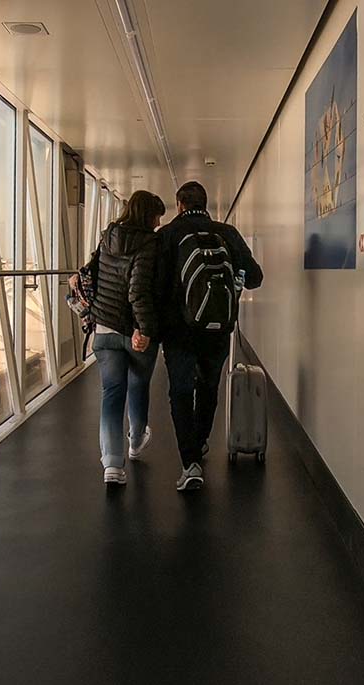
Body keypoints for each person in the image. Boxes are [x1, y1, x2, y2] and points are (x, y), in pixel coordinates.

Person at [156, 181, 263, 491]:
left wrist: (154, 327)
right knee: (208, 386)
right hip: (217, 330)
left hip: (178, 331)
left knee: (180, 391)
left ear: (179, 205)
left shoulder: (168, 235)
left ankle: (189, 462)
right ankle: (201, 442)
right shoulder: (226, 233)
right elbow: (255, 277)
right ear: (206, 203)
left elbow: (157, 287)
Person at [74, 190, 166, 485]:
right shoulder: (149, 243)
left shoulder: (107, 236)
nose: (157, 222)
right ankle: (136, 441)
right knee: (138, 385)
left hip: (104, 328)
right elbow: (138, 290)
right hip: (134, 331)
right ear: (147, 215)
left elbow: (94, 273)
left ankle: (112, 465)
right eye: (157, 216)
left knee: (112, 394)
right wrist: (146, 329)